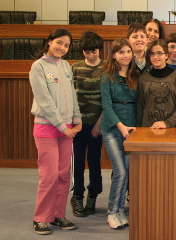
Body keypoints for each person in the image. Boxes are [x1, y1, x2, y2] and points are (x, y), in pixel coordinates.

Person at [29, 28, 82, 235]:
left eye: (66, 45)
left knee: (63, 175)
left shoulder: (66, 66)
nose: (62, 48)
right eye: (59, 43)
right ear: (49, 42)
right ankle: (41, 218)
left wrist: (76, 121)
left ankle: (58, 215)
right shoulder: (38, 67)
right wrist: (62, 126)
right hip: (47, 128)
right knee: (49, 175)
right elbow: (44, 101)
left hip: (67, 130)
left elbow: (72, 95)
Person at [100, 38, 139, 229]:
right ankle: (112, 211)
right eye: (121, 52)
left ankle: (121, 209)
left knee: (127, 172)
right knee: (120, 172)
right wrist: (121, 127)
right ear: (114, 55)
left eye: (128, 52)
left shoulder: (136, 76)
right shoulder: (107, 77)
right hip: (112, 129)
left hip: (132, 129)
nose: (125, 55)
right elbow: (106, 106)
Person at [70, 31, 104, 218]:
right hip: (77, 126)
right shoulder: (75, 68)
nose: (91, 55)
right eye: (87, 52)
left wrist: (99, 124)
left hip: (97, 126)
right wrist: (74, 123)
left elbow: (108, 99)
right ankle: (77, 196)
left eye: (94, 51)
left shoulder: (107, 68)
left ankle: (93, 195)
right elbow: (70, 97)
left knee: (94, 162)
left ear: (100, 50)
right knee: (77, 164)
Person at [137, 39, 176, 128]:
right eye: (152, 53)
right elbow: (139, 107)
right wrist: (138, 129)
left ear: (166, 55)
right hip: (148, 128)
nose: (155, 56)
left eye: (159, 53)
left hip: (172, 128)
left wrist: (167, 123)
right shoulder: (143, 78)